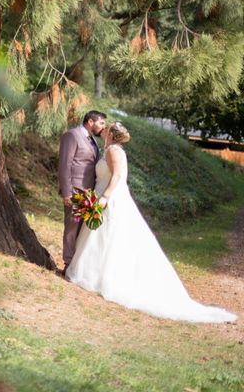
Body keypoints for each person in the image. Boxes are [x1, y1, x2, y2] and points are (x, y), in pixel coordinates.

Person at [66, 122, 237, 323]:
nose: (103, 130)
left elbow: (118, 176)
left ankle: (103, 277)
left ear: (111, 134)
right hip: (102, 194)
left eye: (107, 128)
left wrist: (104, 197)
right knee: (101, 235)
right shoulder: (112, 149)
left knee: (109, 236)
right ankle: (96, 273)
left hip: (110, 197)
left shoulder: (113, 150)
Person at [58, 110, 107, 274]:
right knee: (71, 229)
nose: (103, 127)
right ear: (91, 122)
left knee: (82, 230)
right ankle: (68, 264)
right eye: (101, 123)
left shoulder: (92, 139)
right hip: (74, 191)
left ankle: (76, 265)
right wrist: (67, 193)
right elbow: (65, 165)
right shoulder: (72, 135)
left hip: (89, 193)